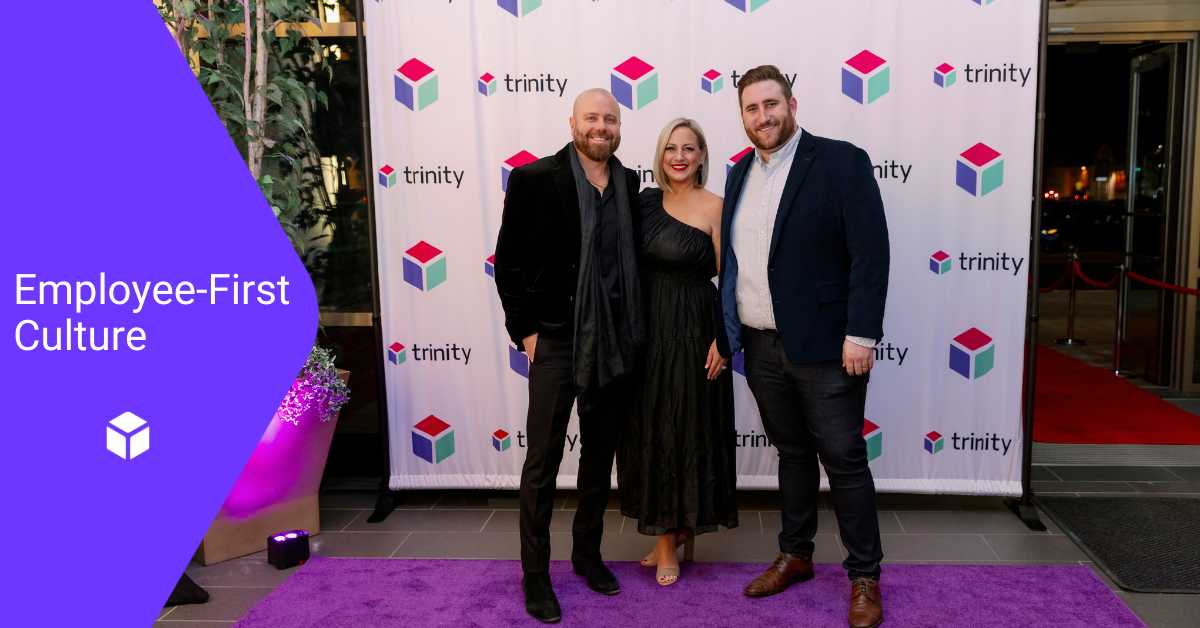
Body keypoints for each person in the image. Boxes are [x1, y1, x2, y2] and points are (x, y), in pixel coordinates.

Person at [716, 65, 889, 628]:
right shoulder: (740, 174)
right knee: (791, 454)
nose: (762, 117)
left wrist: (860, 334)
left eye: (770, 104)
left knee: (843, 459)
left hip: (828, 347)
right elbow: (738, 264)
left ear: (792, 104)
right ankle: (796, 555)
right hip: (762, 348)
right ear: (741, 117)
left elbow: (870, 253)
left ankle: (864, 575)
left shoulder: (841, 161)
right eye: (750, 108)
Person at [493, 87, 645, 624]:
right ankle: (536, 576)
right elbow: (508, 262)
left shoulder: (629, 183)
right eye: (592, 118)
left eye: (610, 119)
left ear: (619, 126)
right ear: (573, 122)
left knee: (598, 462)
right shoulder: (535, 179)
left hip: (613, 344)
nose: (600, 127)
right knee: (542, 466)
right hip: (555, 341)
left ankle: (586, 555)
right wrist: (526, 332)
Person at [617, 118, 737, 587]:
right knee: (650, 431)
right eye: (671, 148)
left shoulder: (716, 207)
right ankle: (667, 535)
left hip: (694, 334)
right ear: (661, 156)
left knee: (686, 432)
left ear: (703, 154)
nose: (680, 157)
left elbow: (731, 279)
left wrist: (724, 339)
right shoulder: (644, 203)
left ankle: (676, 533)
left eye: (689, 148)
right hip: (646, 334)